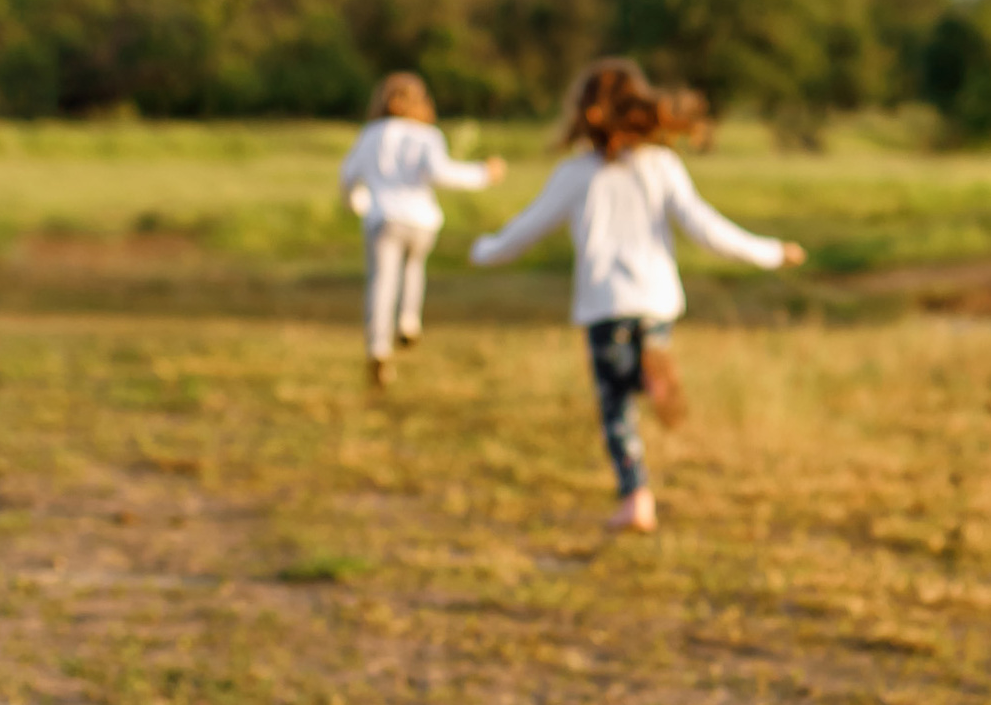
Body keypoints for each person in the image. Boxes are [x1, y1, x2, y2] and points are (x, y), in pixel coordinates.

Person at [469, 57, 806, 532]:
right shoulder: (661, 166)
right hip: (656, 299)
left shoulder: (575, 174)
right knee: (638, 366)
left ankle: (636, 498)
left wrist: (484, 250)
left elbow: (527, 228)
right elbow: (704, 226)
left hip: (605, 303)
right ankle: (653, 372)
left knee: (615, 406)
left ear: (583, 113)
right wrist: (770, 252)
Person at [338, 74, 505, 391]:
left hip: (382, 218)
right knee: (414, 267)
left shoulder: (370, 134)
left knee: (382, 282)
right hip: (420, 219)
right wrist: (484, 174)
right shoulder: (427, 135)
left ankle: (378, 347)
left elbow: (347, 176)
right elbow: (442, 172)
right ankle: (409, 320)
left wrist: (357, 203)